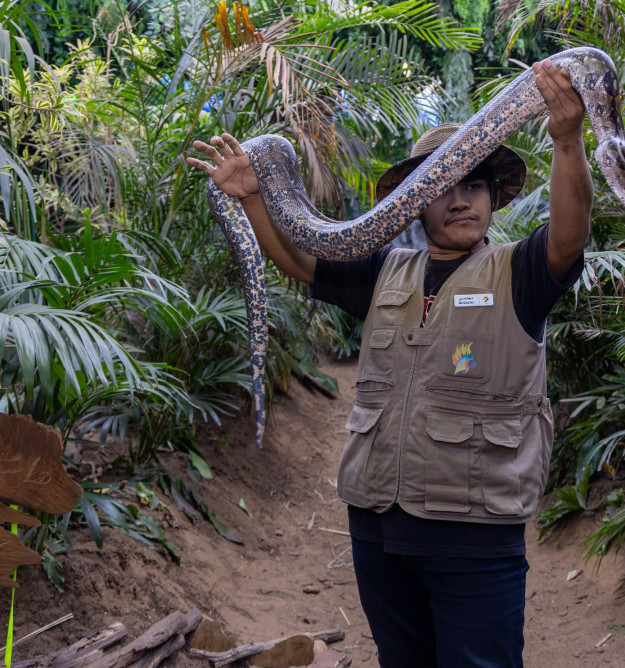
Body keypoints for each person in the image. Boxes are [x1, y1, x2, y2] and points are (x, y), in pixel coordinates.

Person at [187, 60, 592, 667]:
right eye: (442, 188)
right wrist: (250, 198)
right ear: (414, 205)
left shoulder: (522, 272)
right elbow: (300, 261)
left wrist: (566, 139)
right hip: (377, 528)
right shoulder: (385, 272)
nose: (461, 200)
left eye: (474, 185)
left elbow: (569, 236)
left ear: (491, 198)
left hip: (474, 536)